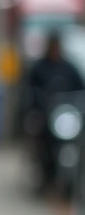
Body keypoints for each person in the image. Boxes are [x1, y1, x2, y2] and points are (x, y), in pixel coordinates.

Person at [21, 31, 85, 189]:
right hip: (46, 114)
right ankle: (44, 174)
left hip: (65, 115)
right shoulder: (39, 68)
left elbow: (80, 87)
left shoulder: (69, 68)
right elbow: (29, 91)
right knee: (41, 138)